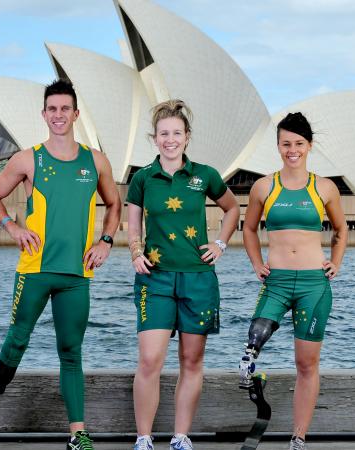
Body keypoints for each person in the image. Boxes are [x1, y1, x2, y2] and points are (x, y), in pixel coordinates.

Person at [0, 79, 121, 450]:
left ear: (75, 114)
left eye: (64, 109)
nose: (58, 115)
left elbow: (114, 204)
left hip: (77, 275)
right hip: (35, 269)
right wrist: (12, 228)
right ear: (44, 114)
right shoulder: (28, 158)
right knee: (17, 341)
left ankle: (78, 435)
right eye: (51, 109)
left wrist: (105, 241)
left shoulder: (96, 160)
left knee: (71, 352)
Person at [127, 100, 239, 450]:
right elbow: (132, 227)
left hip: (197, 279)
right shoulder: (142, 178)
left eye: (177, 133)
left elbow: (233, 207)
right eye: (164, 134)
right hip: (155, 278)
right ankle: (143, 438)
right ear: (154, 138)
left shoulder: (204, 175)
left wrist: (220, 243)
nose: (170, 139)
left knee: (191, 360)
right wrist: (134, 252)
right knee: (149, 359)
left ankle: (180, 437)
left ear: (187, 137)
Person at [238, 112, 347, 450]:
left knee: (306, 363)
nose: (292, 150)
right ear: (278, 146)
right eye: (286, 144)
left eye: (299, 143)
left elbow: (341, 230)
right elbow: (249, 228)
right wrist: (257, 263)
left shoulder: (324, 187)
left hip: (314, 284)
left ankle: (298, 436)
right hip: (277, 281)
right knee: (253, 340)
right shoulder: (264, 186)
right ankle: (250, 368)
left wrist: (336, 263)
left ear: (309, 146)